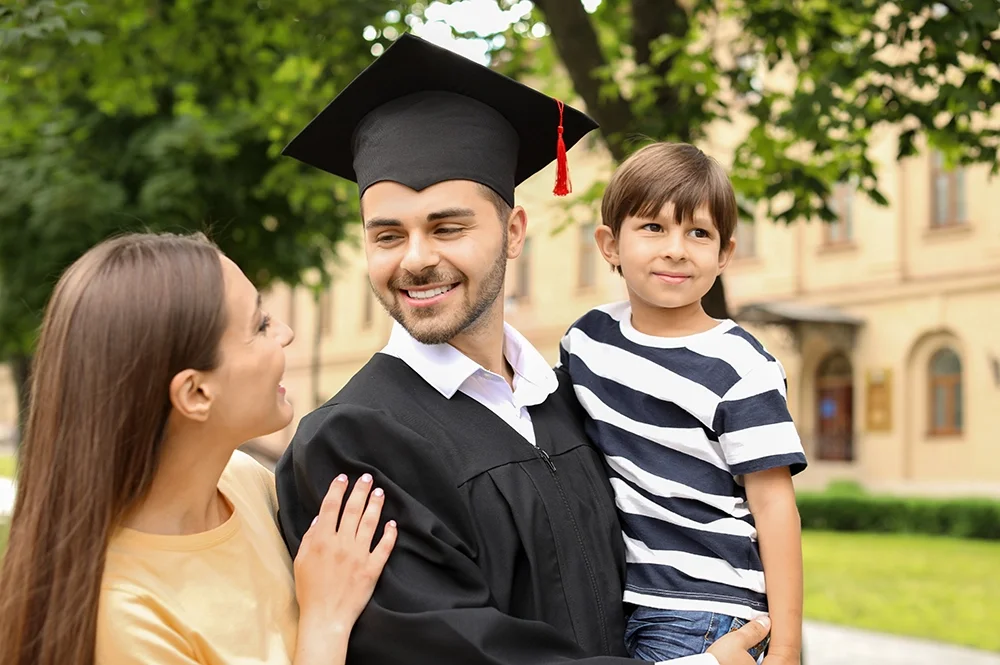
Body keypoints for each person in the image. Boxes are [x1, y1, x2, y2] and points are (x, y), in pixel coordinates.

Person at [275, 32, 769, 665]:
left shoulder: (573, 400)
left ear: (512, 232)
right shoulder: (351, 445)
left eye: (448, 227)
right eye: (388, 236)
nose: (418, 259)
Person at [0, 232, 396, 665]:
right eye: (260, 325)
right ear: (195, 393)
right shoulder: (125, 618)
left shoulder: (246, 483)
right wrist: (327, 621)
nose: (285, 333)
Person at [558, 142, 808, 664]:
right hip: (618, 596)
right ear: (609, 244)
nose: (676, 249)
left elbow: (774, 507)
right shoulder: (587, 342)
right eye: (653, 228)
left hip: (707, 607)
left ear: (724, 255)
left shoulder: (740, 368)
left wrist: (785, 647)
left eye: (698, 233)